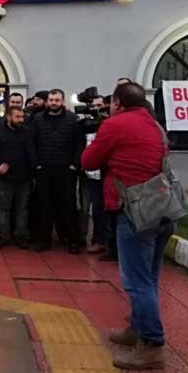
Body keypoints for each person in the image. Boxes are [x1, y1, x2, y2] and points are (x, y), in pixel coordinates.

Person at [81, 82, 170, 371]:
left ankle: (153, 345)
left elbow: (88, 160)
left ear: (117, 103)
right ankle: (138, 328)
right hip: (161, 207)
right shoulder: (154, 125)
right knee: (150, 277)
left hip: (134, 209)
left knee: (136, 281)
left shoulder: (115, 124)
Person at [28, 89, 85, 254]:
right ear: (47, 102)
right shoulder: (37, 120)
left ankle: (72, 240)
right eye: (51, 100)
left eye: (57, 100)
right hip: (44, 169)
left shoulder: (73, 120)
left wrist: (75, 164)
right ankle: (44, 240)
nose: (54, 103)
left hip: (67, 169)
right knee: (44, 205)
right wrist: (36, 164)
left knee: (69, 205)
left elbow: (79, 144)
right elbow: (31, 143)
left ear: (62, 101)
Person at [0, 106, 32, 248]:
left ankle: (20, 236)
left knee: (22, 208)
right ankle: (3, 236)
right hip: (4, 178)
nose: (21, 120)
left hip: (24, 177)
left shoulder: (27, 132)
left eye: (22, 117)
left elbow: (31, 152)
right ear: (8, 117)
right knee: (3, 208)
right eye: (17, 117)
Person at [81, 94, 109, 254]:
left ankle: (110, 241)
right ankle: (98, 240)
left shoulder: (110, 123)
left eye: (100, 106)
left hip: (108, 173)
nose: (97, 110)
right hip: (91, 173)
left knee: (110, 208)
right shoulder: (85, 124)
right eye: (93, 107)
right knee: (95, 208)